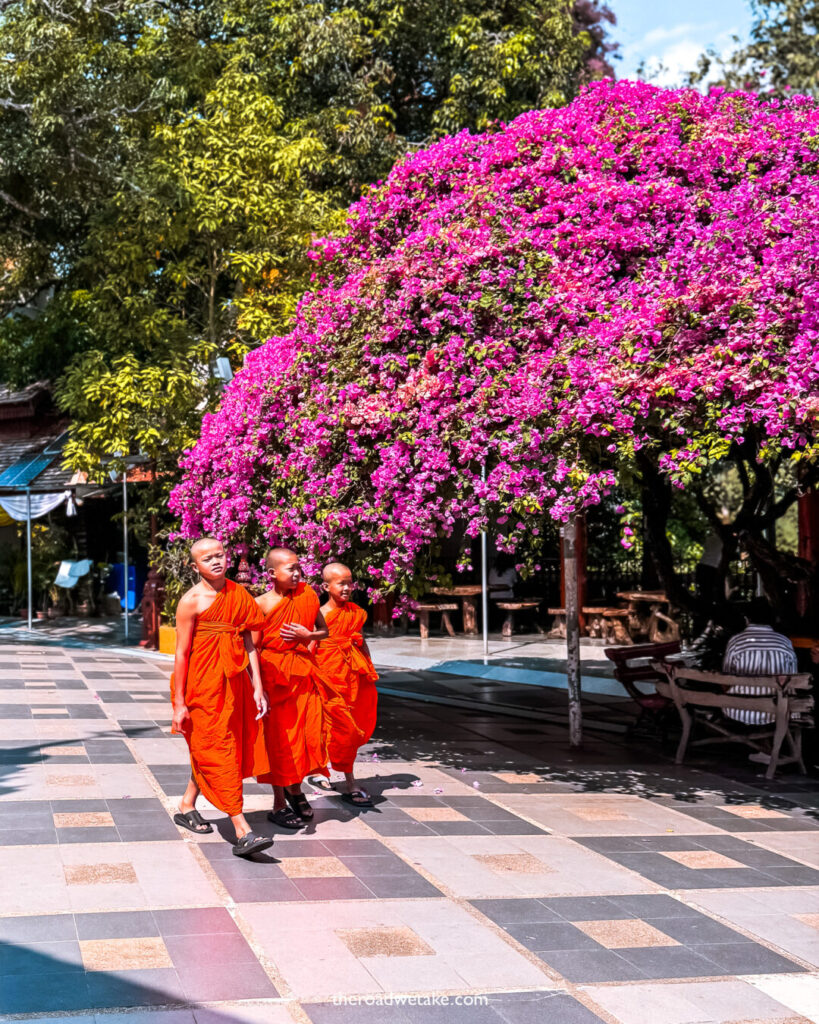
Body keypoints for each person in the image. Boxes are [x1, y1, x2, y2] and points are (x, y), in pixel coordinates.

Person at [171, 537, 274, 858]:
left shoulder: (238, 594)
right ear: (194, 566)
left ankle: (187, 804)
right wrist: (178, 703)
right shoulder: (191, 601)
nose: (215, 562)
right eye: (207, 558)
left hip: (234, 684)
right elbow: (181, 653)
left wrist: (257, 685)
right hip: (201, 686)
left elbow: (250, 643)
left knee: (217, 748)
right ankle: (242, 829)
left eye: (219, 555)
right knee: (217, 749)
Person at [252, 548, 361, 826]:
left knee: (305, 737)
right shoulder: (261, 603)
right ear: (271, 574)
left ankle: (296, 790)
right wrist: (258, 688)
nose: (297, 573)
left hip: (303, 674)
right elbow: (251, 647)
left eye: (299, 567)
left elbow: (323, 631)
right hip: (274, 676)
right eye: (290, 568)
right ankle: (279, 803)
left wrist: (308, 634)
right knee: (279, 742)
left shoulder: (307, 595)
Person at [313, 562, 378, 807]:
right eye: (341, 583)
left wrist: (370, 669)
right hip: (326, 678)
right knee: (325, 728)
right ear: (326, 586)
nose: (347, 588)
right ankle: (319, 770)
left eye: (350, 582)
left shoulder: (354, 612)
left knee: (350, 729)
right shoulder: (319, 614)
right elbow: (311, 648)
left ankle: (349, 779)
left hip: (352, 677)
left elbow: (360, 642)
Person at [722, 597, 798, 760]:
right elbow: (794, 677)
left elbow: (727, 677)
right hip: (780, 710)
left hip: (741, 709)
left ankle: (765, 751)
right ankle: (768, 751)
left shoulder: (736, 641)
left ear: (747, 618)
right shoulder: (784, 642)